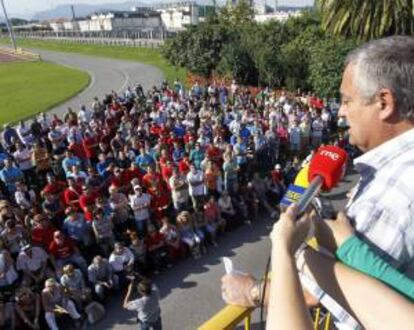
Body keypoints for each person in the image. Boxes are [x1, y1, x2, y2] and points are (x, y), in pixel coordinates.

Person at [221, 36, 414, 329]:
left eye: (347, 100)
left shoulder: (394, 193)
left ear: (384, 102)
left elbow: (333, 293)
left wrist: (256, 287)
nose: (340, 111)